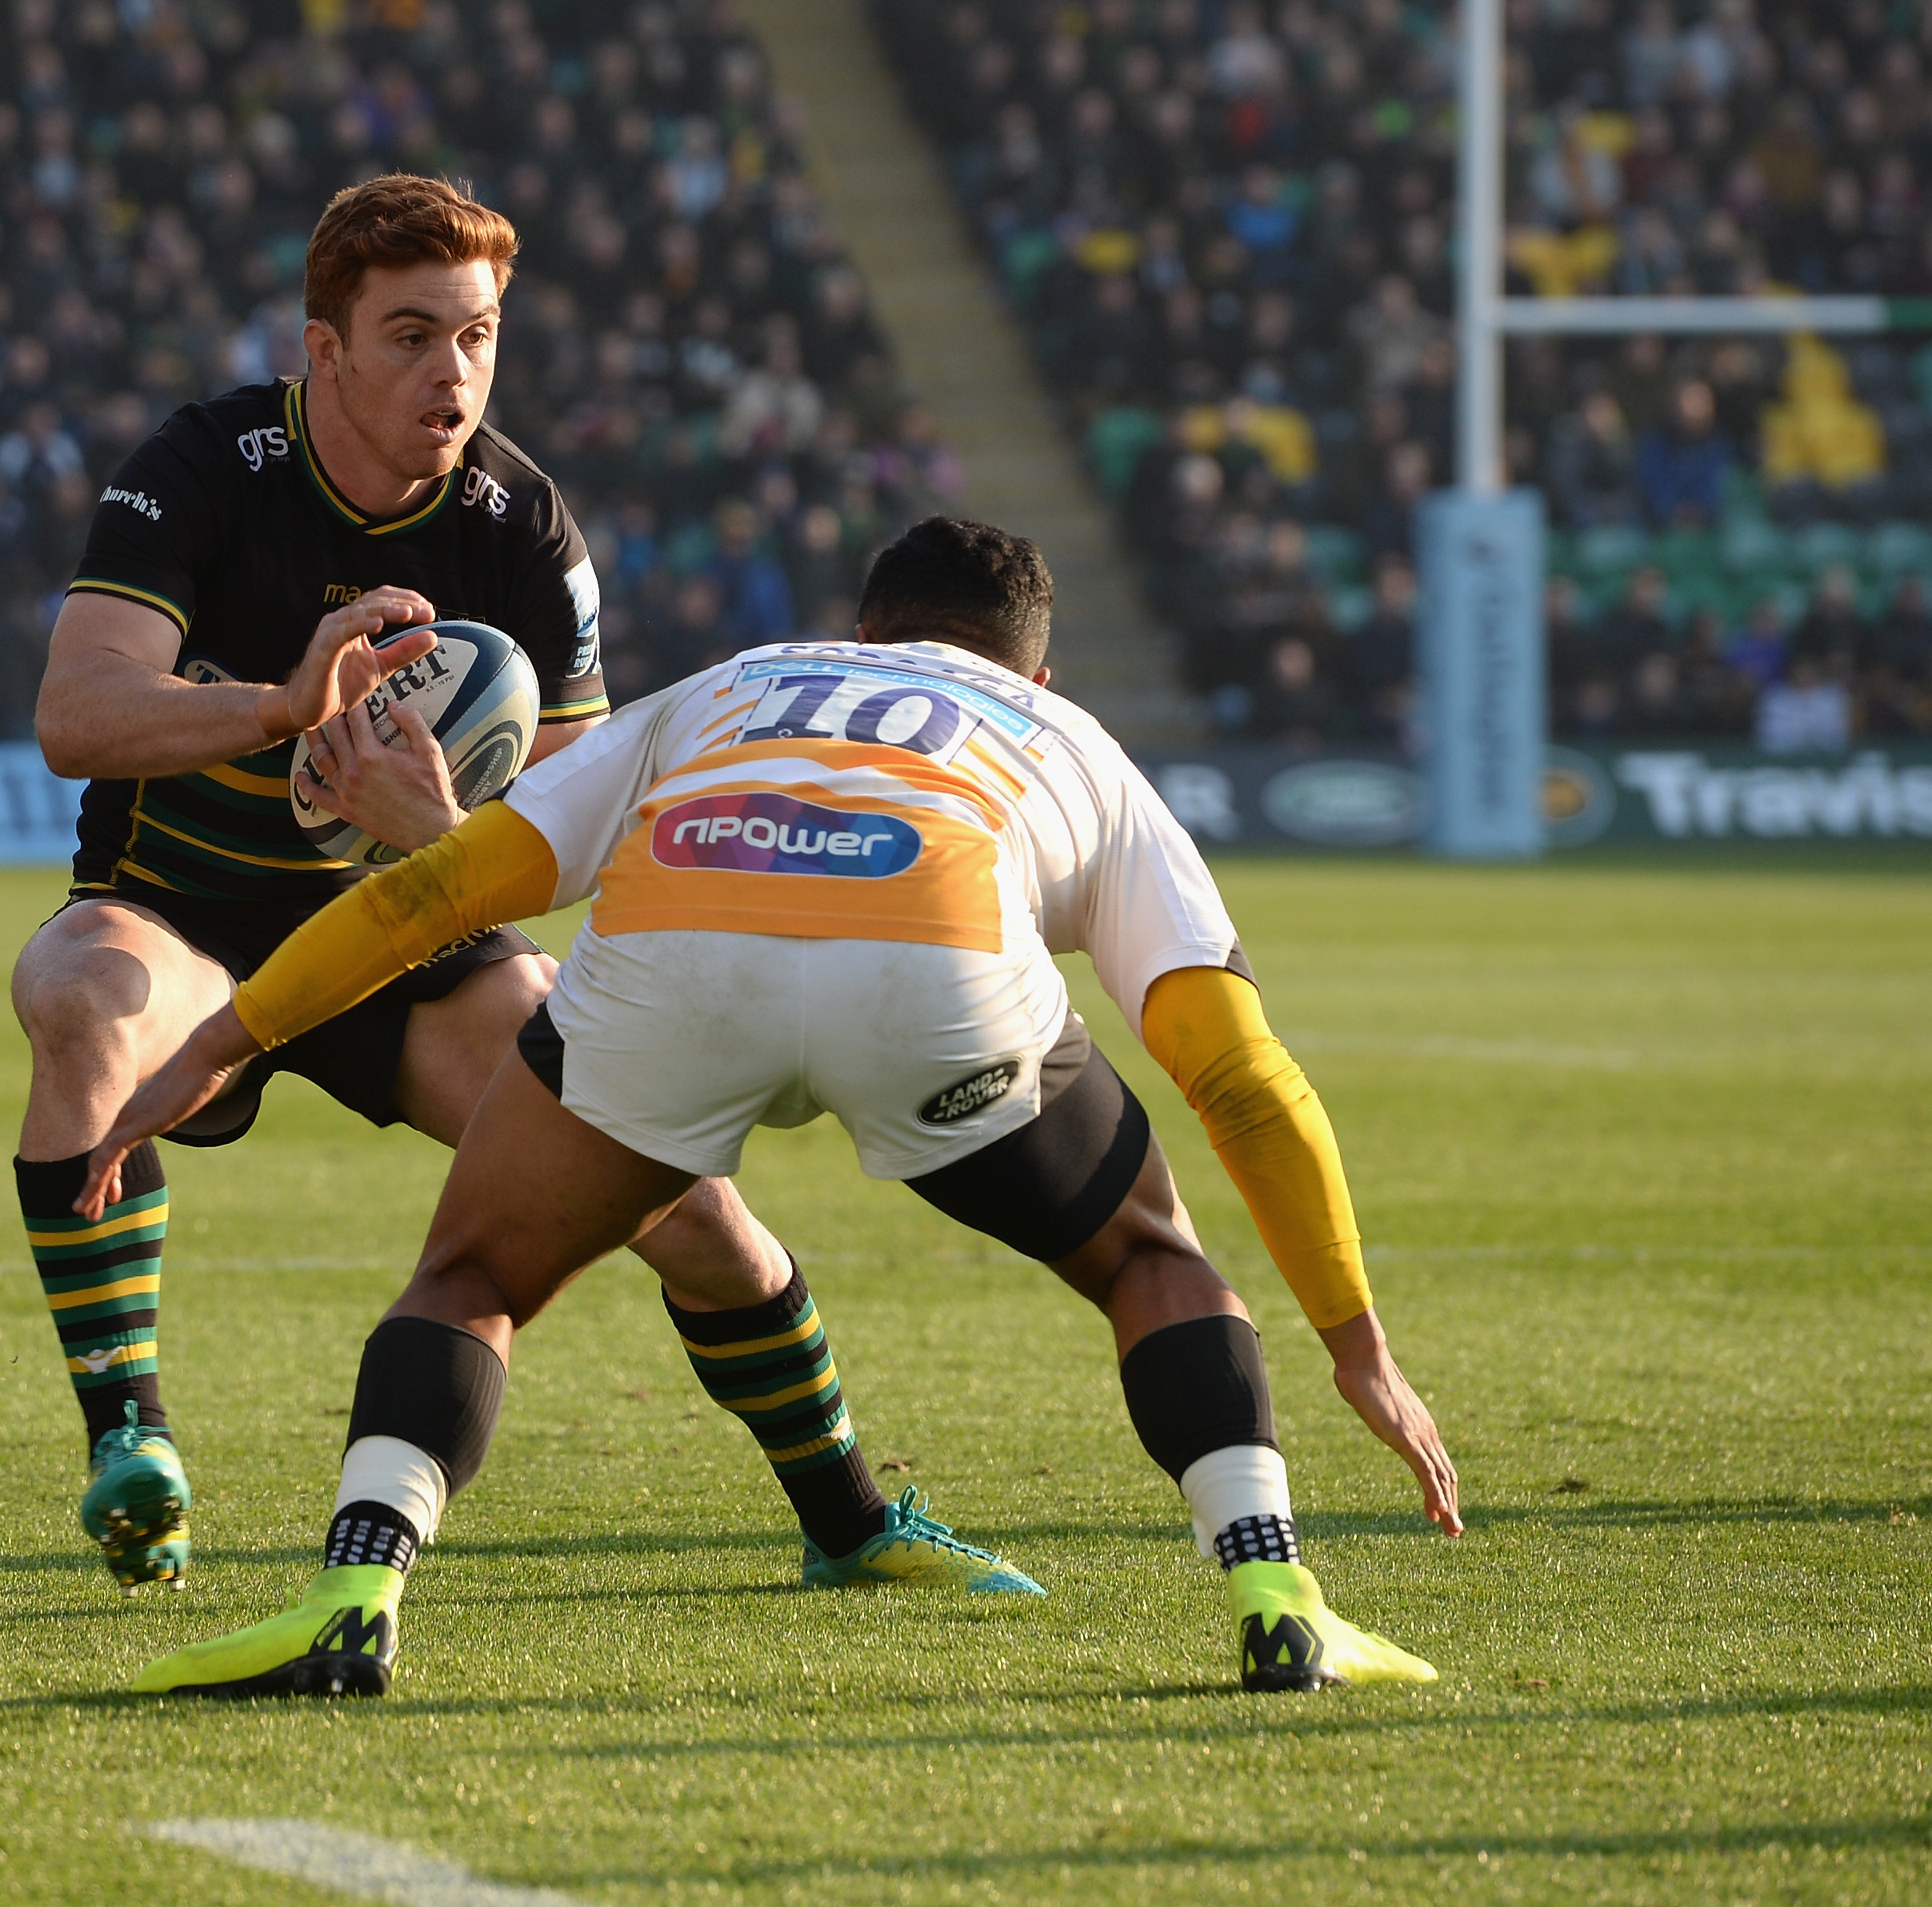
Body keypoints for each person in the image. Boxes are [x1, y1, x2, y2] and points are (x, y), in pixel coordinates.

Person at [80, 517, 1461, 1699]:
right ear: (1035, 671)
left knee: (473, 1279)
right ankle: (1276, 1599)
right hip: (934, 972)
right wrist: (1358, 1345)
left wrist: (228, 1037)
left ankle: (353, 1600)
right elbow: (1235, 1070)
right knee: (1151, 1260)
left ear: (860, 634)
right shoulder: (1071, 738)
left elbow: (440, 891)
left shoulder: (735, 682)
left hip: (681, 953)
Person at [10, 177, 1018, 1601]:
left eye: (477, 336)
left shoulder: (524, 525)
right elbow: (76, 714)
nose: (454, 371)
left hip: (417, 939)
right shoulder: (202, 466)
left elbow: (589, 827)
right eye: (412, 335)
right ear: (325, 350)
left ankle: (851, 1522)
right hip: (188, 914)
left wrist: (435, 830)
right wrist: (285, 706)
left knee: (682, 1197)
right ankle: (134, 1445)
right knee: (82, 991)